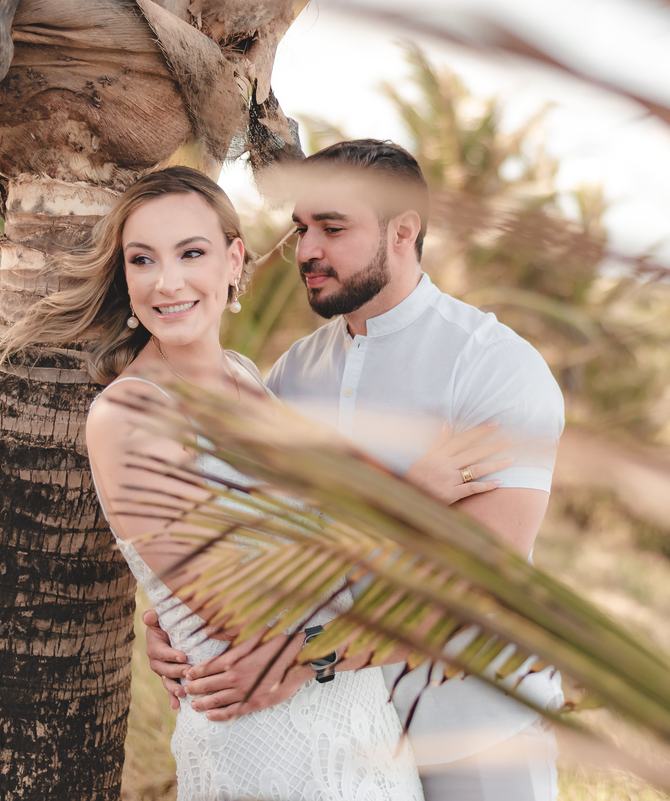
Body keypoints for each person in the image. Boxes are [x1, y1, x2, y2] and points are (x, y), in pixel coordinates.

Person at [0, 165, 506, 800]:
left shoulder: (244, 377)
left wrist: (173, 613)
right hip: (263, 738)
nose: (168, 281)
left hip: (355, 720)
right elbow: (244, 603)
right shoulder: (130, 415)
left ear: (234, 260)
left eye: (192, 253)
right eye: (142, 260)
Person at [146, 140, 566, 801]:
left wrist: (303, 656)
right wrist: (175, 619)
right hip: (337, 747)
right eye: (301, 228)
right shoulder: (289, 377)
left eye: (333, 228)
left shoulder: (494, 368)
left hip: (475, 731)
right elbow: (259, 540)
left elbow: (478, 578)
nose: (306, 249)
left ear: (404, 230)